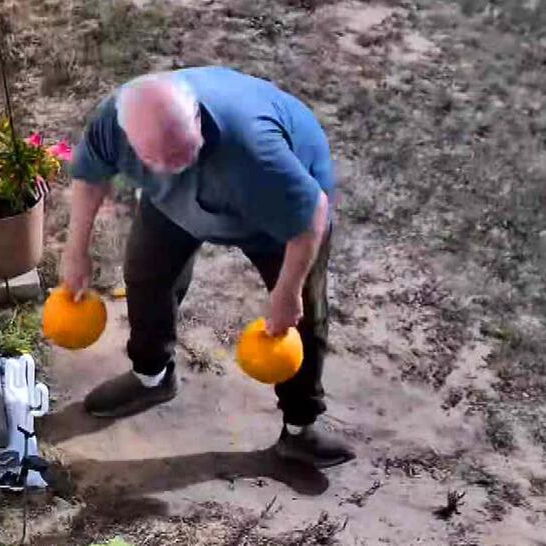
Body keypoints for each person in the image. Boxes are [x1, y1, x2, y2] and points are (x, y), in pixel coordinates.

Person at [62, 66, 355, 468]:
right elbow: (90, 176)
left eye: (183, 152)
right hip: (174, 208)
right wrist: (75, 250)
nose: (173, 167)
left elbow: (311, 216)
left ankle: (299, 429)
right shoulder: (115, 121)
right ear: (128, 137)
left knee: (299, 318)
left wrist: (286, 291)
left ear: (197, 118)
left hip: (275, 218)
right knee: (147, 274)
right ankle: (153, 376)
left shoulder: (256, 152)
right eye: (156, 160)